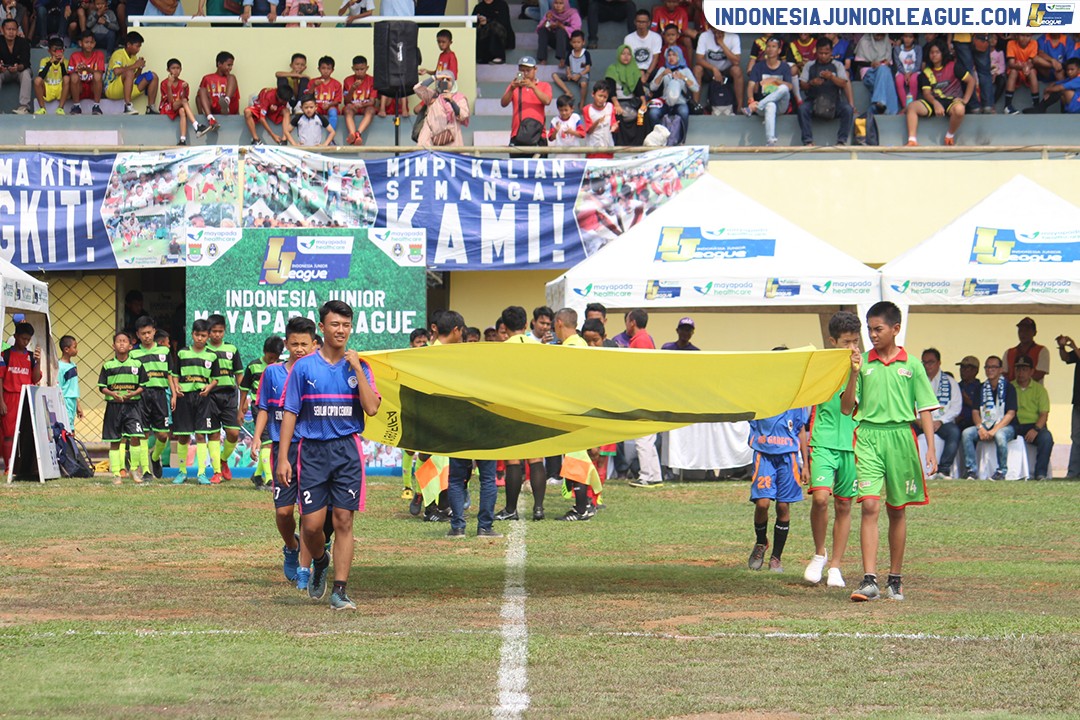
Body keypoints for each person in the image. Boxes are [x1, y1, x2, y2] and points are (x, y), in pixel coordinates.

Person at [276, 301, 382, 610]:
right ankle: (320, 561)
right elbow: (291, 411)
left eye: (346, 325)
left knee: (343, 521)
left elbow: (372, 408)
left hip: (346, 451)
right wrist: (283, 457)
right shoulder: (304, 367)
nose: (341, 330)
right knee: (311, 526)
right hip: (312, 452)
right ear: (322, 328)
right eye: (335, 325)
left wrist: (357, 369)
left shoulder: (359, 366)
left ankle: (340, 591)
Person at [841, 301, 938, 602]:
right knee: (869, 505)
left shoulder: (912, 365)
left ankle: (894, 579)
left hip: (901, 438)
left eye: (877, 329)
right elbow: (846, 408)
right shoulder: (862, 362)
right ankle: (869, 580)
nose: (872, 335)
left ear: (895, 329)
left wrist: (930, 449)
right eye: (869, 329)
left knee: (897, 509)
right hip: (868, 436)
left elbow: (924, 409)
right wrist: (854, 373)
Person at [253, 317, 316, 589]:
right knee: (283, 513)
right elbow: (265, 407)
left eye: (304, 344)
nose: (299, 349)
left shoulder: (318, 372)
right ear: (286, 345)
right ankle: (291, 546)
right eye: (294, 344)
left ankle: (305, 567)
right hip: (283, 448)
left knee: (309, 512)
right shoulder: (272, 373)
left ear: (314, 344)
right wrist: (257, 436)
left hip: (313, 448)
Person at [803, 311, 860, 588]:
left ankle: (835, 565)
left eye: (855, 341)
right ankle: (819, 553)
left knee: (844, 504)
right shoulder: (822, 367)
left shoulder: (861, 368)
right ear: (833, 341)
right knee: (821, 499)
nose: (852, 348)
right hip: (823, 442)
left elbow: (849, 406)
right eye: (847, 342)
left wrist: (854, 374)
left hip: (851, 444)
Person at [747, 382, 809, 573]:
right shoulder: (759, 398)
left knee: (783, 505)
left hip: (788, 458)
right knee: (763, 503)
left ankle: (776, 557)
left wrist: (806, 464)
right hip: (764, 456)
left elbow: (800, 431)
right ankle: (760, 543)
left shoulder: (796, 400)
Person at [494, 305, 548, 521]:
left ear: (504, 327)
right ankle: (539, 508)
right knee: (536, 458)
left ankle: (510, 509)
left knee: (513, 461)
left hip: (510, 407)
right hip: (535, 406)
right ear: (527, 325)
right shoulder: (538, 347)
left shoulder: (501, 349)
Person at [171, 320, 220, 486]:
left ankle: (201, 473)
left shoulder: (212, 355)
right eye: (197, 335)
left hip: (203, 397)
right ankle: (182, 472)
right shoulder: (182, 353)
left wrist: (209, 387)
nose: (200, 338)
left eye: (203, 335)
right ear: (192, 334)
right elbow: (174, 373)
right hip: (185, 396)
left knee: (201, 434)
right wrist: (176, 387)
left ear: (208, 336)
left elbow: (215, 379)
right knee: (183, 435)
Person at [99, 330, 147, 485]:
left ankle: (134, 469)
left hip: (132, 406)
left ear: (131, 346)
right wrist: (113, 394)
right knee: (114, 440)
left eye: (124, 341)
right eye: (118, 341)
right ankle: (116, 474)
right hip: (114, 406)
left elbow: (143, 386)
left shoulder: (137, 364)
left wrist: (133, 394)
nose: (121, 343)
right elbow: (102, 387)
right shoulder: (108, 366)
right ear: (113, 345)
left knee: (135, 437)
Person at [905, 41, 975, 147]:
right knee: (912, 107)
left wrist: (965, 100)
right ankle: (912, 141)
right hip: (934, 102)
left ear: (943, 53)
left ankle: (949, 137)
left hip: (951, 101)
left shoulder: (953, 66)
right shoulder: (927, 72)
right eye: (931, 52)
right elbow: (927, 93)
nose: (934, 55)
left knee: (960, 110)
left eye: (937, 52)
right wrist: (935, 103)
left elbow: (971, 81)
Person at [131, 315, 175, 481]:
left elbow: (170, 374)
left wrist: (173, 394)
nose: (147, 336)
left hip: (159, 394)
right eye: (143, 333)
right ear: (138, 334)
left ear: (154, 332)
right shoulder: (133, 354)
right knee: (142, 433)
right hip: (141, 395)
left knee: (163, 435)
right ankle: (146, 471)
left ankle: (155, 457)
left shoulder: (164, 351)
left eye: (149, 332)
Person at [624, 309, 663, 489]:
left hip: (642, 394)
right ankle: (654, 475)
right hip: (649, 393)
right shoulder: (645, 339)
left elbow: (638, 370)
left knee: (642, 438)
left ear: (632, 322)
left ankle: (646, 475)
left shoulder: (640, 341)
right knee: (648, 438)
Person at [960, 355, 1016, 481]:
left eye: (993, 367)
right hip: (985, 424)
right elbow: (975, 411)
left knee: (1000, 435)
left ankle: (1001, 471)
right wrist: (980, 427)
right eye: (987, 367)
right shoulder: (981, 388)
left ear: (1001, 369)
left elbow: (1011, 413)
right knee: (967, 433)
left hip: (1005, 426)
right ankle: (971, 471)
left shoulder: (1009, 387)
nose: (990, 370)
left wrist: (994, 430)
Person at [240, 335, 282, 488]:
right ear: (264, 351)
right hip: (259, 407)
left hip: (275, 408)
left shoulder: (280, 367)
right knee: (267, 443)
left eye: (275, 358)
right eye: (270, 357)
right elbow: (244, 388)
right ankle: (271, 480)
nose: (272, 361)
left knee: (272, 441)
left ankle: (257, 475)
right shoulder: (253, 366)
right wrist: (241, 408)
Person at [206, 313, 243, 484]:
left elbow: (239, 375)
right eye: (214, 331)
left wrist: (244, 398)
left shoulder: (232, 349)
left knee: (233, 433)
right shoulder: (203, 351)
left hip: (229, 395)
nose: (217, 334)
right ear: (208, 332)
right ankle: (216, 472)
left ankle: (223, 460)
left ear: (225, 331)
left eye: (220, 331)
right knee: (213, 434)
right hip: (209, 397)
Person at [915, 348, 962, 479]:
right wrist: (917, 419)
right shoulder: (916, 380)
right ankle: (910, 468)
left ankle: (944, 469)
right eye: (924, 362)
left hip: (941, 422)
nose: (927, 366)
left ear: (939, 363)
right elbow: (909, 403)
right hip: (920, 421)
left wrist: (941, 421)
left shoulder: (950, 382)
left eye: (931, 362)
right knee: (905, 432)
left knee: (954, 432)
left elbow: (956, 407)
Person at [797, 37, 853, 147]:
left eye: (826, 53)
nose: (823, 56)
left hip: (834, 102)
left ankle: (841, 141)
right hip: (813, 101)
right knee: (802, 109)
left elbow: (843, 83)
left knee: (848, 109)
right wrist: (812, 83)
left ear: (831, 52)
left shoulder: (837, 65)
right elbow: (802, 85)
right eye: (820, 53)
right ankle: (808, 141)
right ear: (816, 51)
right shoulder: (809, 65)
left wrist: (831, 77)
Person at [0, 321, 41, 466]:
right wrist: (1, 401)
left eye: (28, 339)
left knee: (26, 433)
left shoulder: (31, 357)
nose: (26, 342)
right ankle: (8, 466)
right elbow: (0, 378)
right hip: (9, 397)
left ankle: (22, 465)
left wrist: (38, 362)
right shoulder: (5, 355)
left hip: (26, 397)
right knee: (9, 434)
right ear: (16, 336)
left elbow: (35, 379)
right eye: (23, 338)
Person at [1013, 356, 1055, 480]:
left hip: (1033, 425)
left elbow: (1044, 414)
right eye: (1018, 369)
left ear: (1032, 371)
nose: (1021, 373)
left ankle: (1040, 473)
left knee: (1046, 438)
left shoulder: (1040, 390)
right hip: (1014, 424)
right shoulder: (1009, 387)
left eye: (1024, 369)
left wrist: (1036, 429)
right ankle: (1005, 472)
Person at [745, 35, 791, 147]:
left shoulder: (785, 67)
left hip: (780, 105)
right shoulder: (758, 66)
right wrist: (751, 100)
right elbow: (750, 86)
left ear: (779, 50)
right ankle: (770, 140)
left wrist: (775, 80)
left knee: (784, 88)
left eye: (774, 46)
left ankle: (757, 106)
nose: (771, 49)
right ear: (765, 49)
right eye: (768, 46)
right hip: (764, 108)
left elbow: (790, 86)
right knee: (770, 105)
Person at [647, 45, 697, 144]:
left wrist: (684, 77)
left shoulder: (685, 70)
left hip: (680, 102)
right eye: (669, 55)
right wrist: (662, 75)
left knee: (684, 112)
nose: (671, 57)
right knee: (653, 113)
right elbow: (652, 87)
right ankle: (659, 139)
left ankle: (682, 141)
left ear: (679, 56)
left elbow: (696, 88)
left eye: (674, 55)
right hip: (665, 101)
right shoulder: (663, 69)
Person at [104, 30, 158, 116]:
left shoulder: (133, 57)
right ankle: (128, 106)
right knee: (129, 73)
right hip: (111, 89)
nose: (138, 49)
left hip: (127, 89)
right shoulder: (118, 54)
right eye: (137, 46)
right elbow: (117, 71)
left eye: (140, 47)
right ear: (128, 45)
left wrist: (139, 67)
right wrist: (135, 65)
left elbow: (135, 77)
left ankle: (150, 107)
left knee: (153, 76)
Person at [501, 56, 552, 146]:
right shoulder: (514, 86)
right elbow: (503, 103)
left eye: (528, 70)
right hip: (517, 134)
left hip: (538, 135)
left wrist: (532, 86)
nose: (525, 73)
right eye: (522, 70)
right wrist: (512, 89)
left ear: (535, 69)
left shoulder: (544, 85)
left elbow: (547, 101)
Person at [413, 69, 469, 147]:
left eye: (448, 79)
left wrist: (452, 101)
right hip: (429, 142)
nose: (444, 81)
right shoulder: (432, 96)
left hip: (451, 143)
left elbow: (463, 115)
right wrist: (435, 77)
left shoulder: (459, 98)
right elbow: (417, 88)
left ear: (453, 83)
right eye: (442, 79)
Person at [693, 26, 743, 113]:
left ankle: (739, 107)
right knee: (697, 69)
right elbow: (699, 59)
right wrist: (714, 69)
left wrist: (722, 44)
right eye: (714, 28)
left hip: (726, 70)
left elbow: (736, 61)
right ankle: (695, 105)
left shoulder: (733, 37)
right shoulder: (704, 36)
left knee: (737, 70)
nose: (717, 31)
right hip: (710, 70)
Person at [605, 44, 647, 145]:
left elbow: (639, 90)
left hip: (632, 101)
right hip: (617, 101)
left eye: (628, 54)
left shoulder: (634, 70)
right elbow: (611, 90)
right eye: (623, 54)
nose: (626, 56)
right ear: (619, 55)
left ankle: (639, 142)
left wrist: (644, 103)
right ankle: (619, 142)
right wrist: (616, 105)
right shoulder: (612, 69)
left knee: (643, 114)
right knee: (617, 113)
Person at [195, 51, 238, 138]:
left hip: (228, 109)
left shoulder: (231, 79)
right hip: (214, 108)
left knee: (232, 76)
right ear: (219, 64)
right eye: (228, 65)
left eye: (231, 65)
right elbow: (198, 98)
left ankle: (226, 101)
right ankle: (210, 119)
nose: (230, 68)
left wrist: (237, 114)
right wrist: (200, 115)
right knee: (201, 90)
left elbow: (236, 97)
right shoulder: (207, 78)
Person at [161, 59, 204, 146]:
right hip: (168, 108)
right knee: (183, 103)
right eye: (173, 68)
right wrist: (169, 86)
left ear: (181, 69)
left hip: (178, 107)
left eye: (178, 68)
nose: (176, 71)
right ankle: (196, 125)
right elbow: (170, 102)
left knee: (182, 111)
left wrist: (184, 89)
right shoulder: (164, 83)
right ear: (168, 70)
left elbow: (184, 100)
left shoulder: (183, 83)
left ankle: (183, 140)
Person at [853, 32, 898, 116]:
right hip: (868, 72)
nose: (880, 37)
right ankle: (891, 111)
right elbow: (857, 62)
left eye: (882, 35)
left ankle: (877, 105)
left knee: (883, 69)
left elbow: (889, 61)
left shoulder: (886, 43)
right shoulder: (864, 42)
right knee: (886, 80)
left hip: (882, 71)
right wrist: (871, 64)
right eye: (878, 34)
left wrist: (887, 63)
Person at [1057, 334, 1080, 478]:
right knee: (1076, 436)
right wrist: (1062, 346)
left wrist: (1073, 346)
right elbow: (1065, 358)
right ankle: (1073, 473)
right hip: (1078, 402)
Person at [552, 29, 591, 108]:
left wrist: (579, 75)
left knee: (584, 84)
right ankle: (568, 92)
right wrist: (569, 74)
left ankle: (582, 102)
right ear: (570, 43)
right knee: (554, 75)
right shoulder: (570, 53)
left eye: (578, 42)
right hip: (572, 75)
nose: (576, 44)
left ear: (583, 42)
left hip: (581, 76)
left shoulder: (586, 53)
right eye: (574, 42)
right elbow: (568, 66)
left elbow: (588, 68)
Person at [342, 56, 376, 146]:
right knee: (347, 108)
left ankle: (358, 133)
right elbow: (346, 102)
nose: (360, 72)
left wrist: (361, 105)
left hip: (365, 107)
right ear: (353, 68)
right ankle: (352, 134)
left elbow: (372, 101)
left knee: (371, 110)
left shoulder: (372, 80)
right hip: (352, 107)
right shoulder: (347, 80)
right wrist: (352, 89)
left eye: (362, 69)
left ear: (367, 68)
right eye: (357, 69)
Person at [1004, 317, 1050, 383]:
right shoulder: (1009, 352)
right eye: (1021, 331)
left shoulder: (1042, 351)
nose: (1023, 333)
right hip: (1012, 391)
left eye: (1027, 331)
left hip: (1033, 392)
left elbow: (1039, 374)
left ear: (1034, 333)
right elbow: (1003, 374)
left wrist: (1019, 384)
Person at [67, 31, 104, 115]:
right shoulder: (74, 56)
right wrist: (78, 70)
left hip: (93, 88)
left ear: (95, 43)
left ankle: (96, 106)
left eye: (91, 42)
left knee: (97, 75)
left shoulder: (99, 55)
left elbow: (100, 74)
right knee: (74, 76)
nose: (89, 45)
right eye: (86, 42)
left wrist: (87, 69)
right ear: (80, 43)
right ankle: (76, 106)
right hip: (79, 89)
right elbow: (70, 75)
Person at [0, 18, 32, 114]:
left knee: (26, 74)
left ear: (17, 30)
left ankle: (24, 107)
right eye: (8, 29)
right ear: (2, 30)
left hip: (19, 71)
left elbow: (26, 63)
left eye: (13, 29)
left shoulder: (23, 42)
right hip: (3, 72)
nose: (11, 32)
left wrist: (18, 67)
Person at [536, 0, 580, 66]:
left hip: (569, 42)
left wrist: (562, 26)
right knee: (542, 30)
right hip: (555, 41)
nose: (558, 6)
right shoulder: (550, 13)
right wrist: (548, 22)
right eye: (556, 3)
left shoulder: (573, 14)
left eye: (561, 3)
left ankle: (562, 59)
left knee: (560, 30)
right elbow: (539, 28)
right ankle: (542, 59)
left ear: (565, 4)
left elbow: (576, 31)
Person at [1004, 33, 1040, 114]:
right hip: (1016, 70)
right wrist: (1021, 67)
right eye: (1022, 35)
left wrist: (1027, 67)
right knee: (1013, 71)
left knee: (1032, 72)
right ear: (1017, 36)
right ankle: (1007, 105)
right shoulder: (1011, 43)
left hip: (1027, 70)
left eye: (1028, 36)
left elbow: (1031, 61)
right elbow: (1011, 63)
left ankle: (1036, 104)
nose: (1025, 38)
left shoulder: (1034, 43)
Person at [32, 35, 68, 114]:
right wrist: (50, 63)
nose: (57, 53)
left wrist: (61, 64)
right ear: (49, 51)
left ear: (63, 50)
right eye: (54, 51)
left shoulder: (66, 61)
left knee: (67, 78)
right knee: (37, 80)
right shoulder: (44, 60)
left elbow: (66, 78)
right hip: (47, 89)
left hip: (60, 90)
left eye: (59, 51)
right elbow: (41, 76)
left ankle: (60, 108)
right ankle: (42, 108)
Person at [473, 0, 514, 65]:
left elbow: (504, 21)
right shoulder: (479, 7)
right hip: (484, 33)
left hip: (502, 34)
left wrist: (487, 21)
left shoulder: (502, 4)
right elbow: (473, 22)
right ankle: (482, 57)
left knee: (494, 27)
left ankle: (498, 56)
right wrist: (480, 22)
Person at [624, 9, 660, 82]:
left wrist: (647, 74)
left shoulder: (656, 37)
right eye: (639, 22)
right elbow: (628, 58)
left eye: (644, 22)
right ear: (635, 22)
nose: (641, 24)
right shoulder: (628, 38)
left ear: (649, 23)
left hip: (650, 70)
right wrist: (639, 72)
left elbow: (655, 58)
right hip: (634, 69)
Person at [582, 80, 616, 156]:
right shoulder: (587, 109)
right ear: (593, 94)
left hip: (607, 147)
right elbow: (589, 131)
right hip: (593, 148)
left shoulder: (610, 106)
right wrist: (597, 122)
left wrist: (615, 126)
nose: (602, 99)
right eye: (600, 96)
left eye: (605, 97)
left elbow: (613, 123)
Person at [309, 55, 342, 132]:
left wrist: (329, 105)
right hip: (317, 107)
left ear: (332, 70)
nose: (326, 71)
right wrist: (314, 85)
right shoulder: (313, 81)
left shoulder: (337, 84)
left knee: (333, 112)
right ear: (319, 69)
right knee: (311, 111)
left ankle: (331, 136)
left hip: (330, 107)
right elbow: (308, 96)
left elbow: (337, 100)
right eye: (323, 68)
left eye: (328, 68)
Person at [58, 335, 82, 431]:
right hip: (65, 401)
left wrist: (77, 405)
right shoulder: (59, 367)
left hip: (72, 401)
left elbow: (73, 388)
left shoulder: (73, 365)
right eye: (74, 347)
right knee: (67, 428)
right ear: (66, 349)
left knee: (71, 426)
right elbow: (59, 386)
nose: (77, 350)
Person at [892, 32, 922, 108]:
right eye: (905, 36)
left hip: (915, 71)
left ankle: (911, 106)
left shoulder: (918, 48)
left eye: (910, 37)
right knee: (898, 80)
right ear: (902, 37)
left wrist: (910, 73)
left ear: (914, 38)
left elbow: (918, 65)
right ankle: (905, 107)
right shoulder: (897, 49)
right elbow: (898, 65)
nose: (907, 39)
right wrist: (905, 73)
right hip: (902, 71)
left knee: (913, 80)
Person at [955, 355, 981, 433]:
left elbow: (985, 409)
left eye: (966, 368)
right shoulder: (956, 386)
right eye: (961, 367)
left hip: (974, 424)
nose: (962, 370)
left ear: (975, 370)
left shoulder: (980, 387)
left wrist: (968, 401)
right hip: (956, 423)